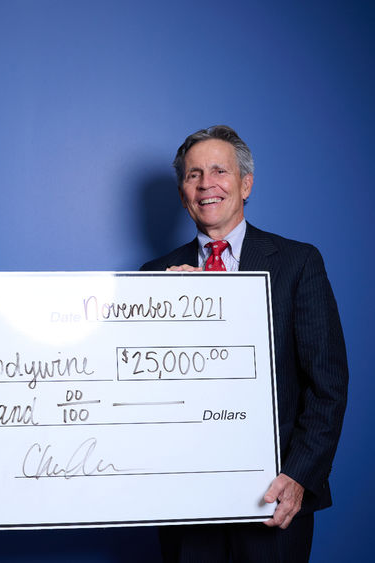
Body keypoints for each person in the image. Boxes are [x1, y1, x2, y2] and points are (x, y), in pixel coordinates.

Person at [141, 126, 348, 562]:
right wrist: (168, 312)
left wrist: (298, 476)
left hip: (273, 499)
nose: (206, 184)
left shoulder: (297, 263)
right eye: (194, 174)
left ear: (245, 183)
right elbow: (139, 392)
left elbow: (327, 385)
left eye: (219, 171)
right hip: (185, 501)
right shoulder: (153, 275)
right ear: (183, 193)